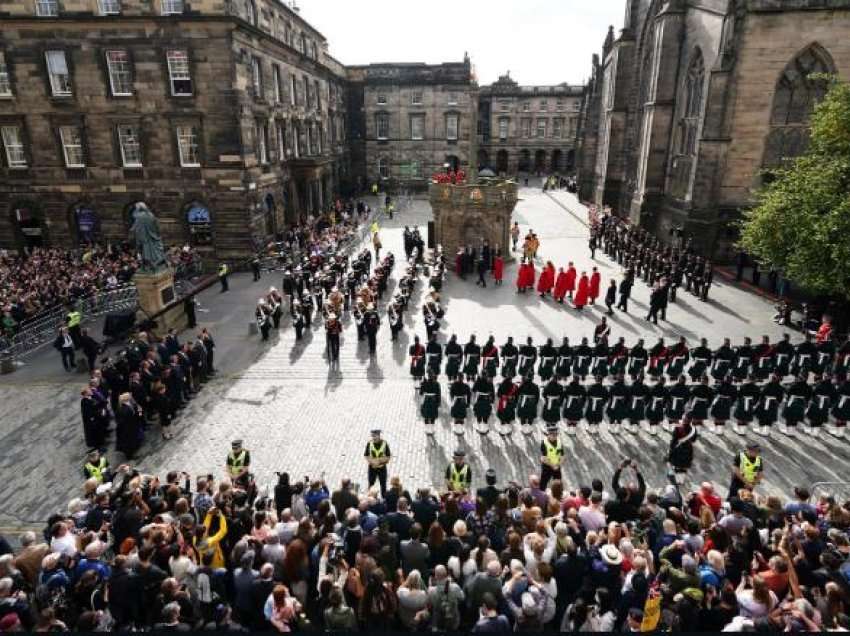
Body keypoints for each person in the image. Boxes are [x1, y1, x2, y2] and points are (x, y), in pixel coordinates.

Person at [668, 418, 697, 486]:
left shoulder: (678, 428)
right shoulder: (693, 429)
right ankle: (681, 480)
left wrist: (671, 448)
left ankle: (677, 480)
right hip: (688, 449)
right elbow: (694, 440)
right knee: (684, 466)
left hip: (678, 449)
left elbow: (674, 439)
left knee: (677, 466)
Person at [364, 429, 391, 497]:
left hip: (382, 468)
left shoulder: (385, 443)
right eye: (372, 436)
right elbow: (366, 455)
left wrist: (379, 462)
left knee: (383, 485)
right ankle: (370, 498)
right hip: (372, 468)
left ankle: (384, 499)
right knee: (371, 484)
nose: (373, 438)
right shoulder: (369, 443)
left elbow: (388, 456)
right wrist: (372, 462)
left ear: (379, 436)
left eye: (375, 436)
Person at [539, 426, 563, 491]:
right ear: (548, 434)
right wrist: (553, 466)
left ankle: (557, 495)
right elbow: (543, 458)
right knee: (543, 484)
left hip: (557, 466)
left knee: (558, 484)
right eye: (553, 434)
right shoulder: (544, 443)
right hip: (547, 467)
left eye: (556, 434)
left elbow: (562, 456)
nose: (555, 436)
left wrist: (558, 465)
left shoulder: (559, 442)